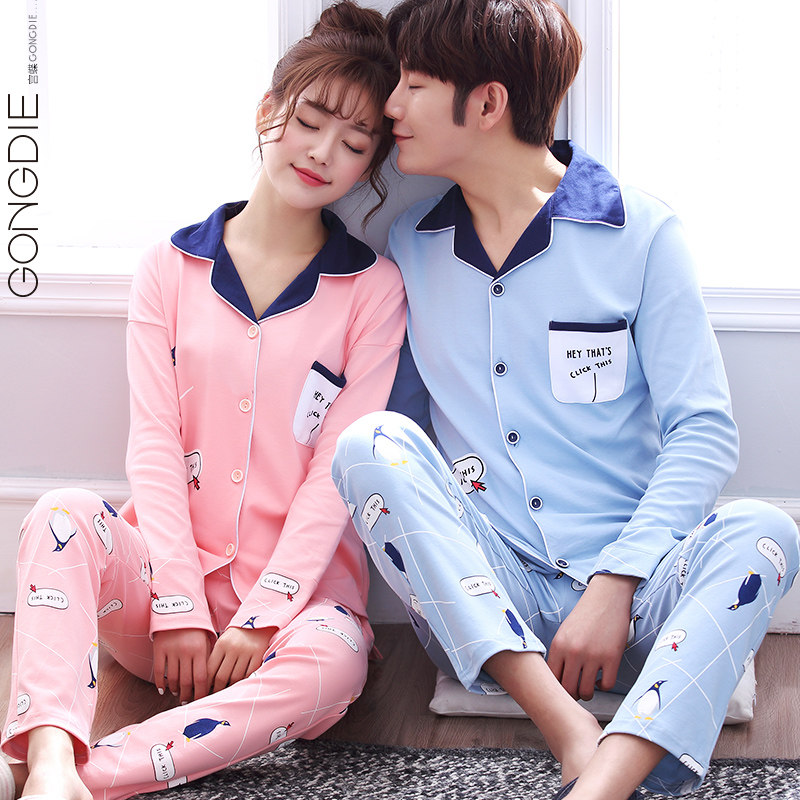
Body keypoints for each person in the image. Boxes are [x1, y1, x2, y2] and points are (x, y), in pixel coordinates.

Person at [331, 1, 800, 799]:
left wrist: (618, 582)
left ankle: (603, 783)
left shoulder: (642, 232)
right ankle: (570, 729)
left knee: (766, 531)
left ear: (486, 102)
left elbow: (703, 433)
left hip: (640, 598)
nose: (392, 106)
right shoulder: (413, 246)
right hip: (490, 604)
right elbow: (407, 442)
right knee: (368, 443)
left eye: (413, 84)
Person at [0, 4, 405, 799]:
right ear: (267, 112)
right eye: (309, 121)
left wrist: (263, 616)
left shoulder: (373, 290)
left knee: (337, 664)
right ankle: (47, 754)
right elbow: (155, 441)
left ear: (369, 168)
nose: (323, 152)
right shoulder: (169, 267)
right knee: (60, 512)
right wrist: (180, 604)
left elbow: (338, 472)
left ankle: (77, 776)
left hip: (293, 624)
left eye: (355, 144)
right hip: (159, 610)